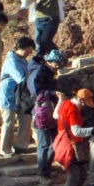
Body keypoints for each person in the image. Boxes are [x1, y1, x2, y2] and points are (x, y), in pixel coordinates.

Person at [54, 88, 94, 186]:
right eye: (84, 103)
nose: (85, 107)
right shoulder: (73, 110)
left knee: (82, 175)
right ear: (79, 99)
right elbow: (76, 131)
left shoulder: (65, 103)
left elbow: (56, 115)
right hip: (69, 146)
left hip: (63, 142)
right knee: (74, 176)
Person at [0, 36, 36, 158]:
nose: (28, 53)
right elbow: (21, 78)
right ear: (20, 48)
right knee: (9, 121)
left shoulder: (23, 60)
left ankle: (21, 146)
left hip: (20, 96)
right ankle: (5, 149)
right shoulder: (11, 61)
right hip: (7, 94)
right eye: (27, 51)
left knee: (26, 119)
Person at [29, 49, 64, 177]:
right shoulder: (40, 73)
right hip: (41, 112)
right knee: (44, 143)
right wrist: (53, 93)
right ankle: (43, 171)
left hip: (50, 110)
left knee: (54, 141)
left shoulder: (48, 72)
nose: (59, 66)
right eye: (58, 63)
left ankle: (46, 167)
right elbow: (37, 94)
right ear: (51, 61)